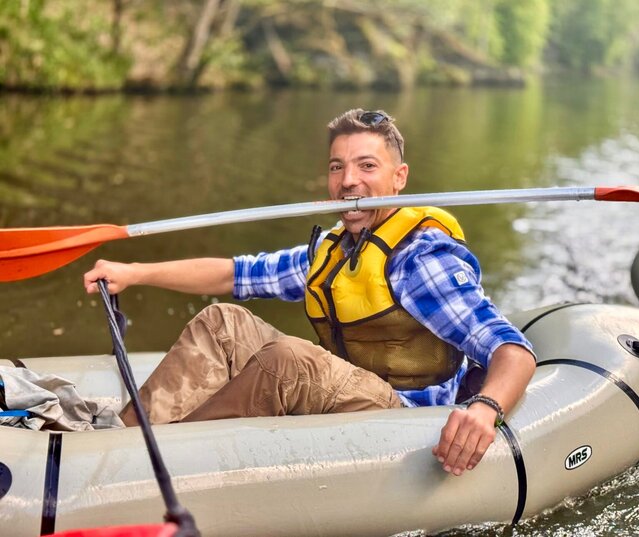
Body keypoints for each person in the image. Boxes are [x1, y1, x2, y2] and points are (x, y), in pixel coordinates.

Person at [84, 109, 537, 477]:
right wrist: (134, 272)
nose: (348, 182)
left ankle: (154, 466)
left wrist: (486, 408)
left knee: (287, 361)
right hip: (352, 382)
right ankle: (121, 441)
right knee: (223, 321)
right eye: (337, 167)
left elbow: (512, 350)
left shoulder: (421, 260)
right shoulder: (333, 249)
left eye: (366, 166)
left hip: (404, 411)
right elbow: (235, 274)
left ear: (399, 177)